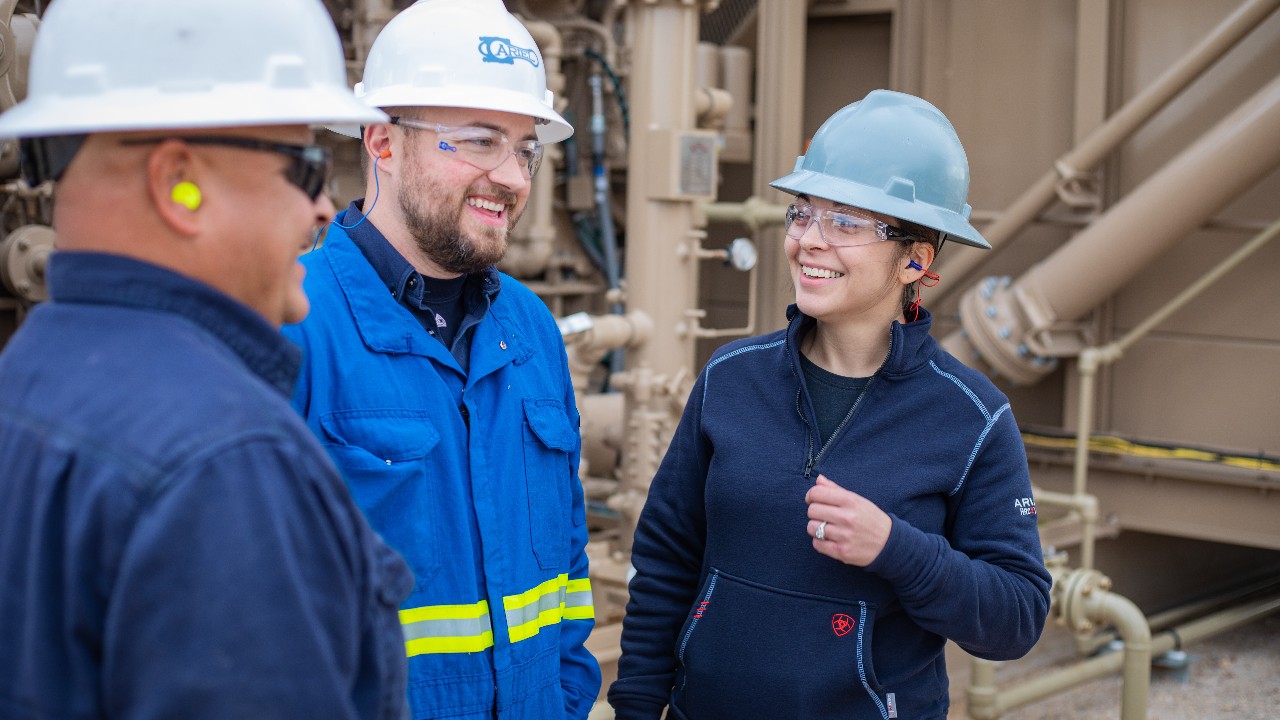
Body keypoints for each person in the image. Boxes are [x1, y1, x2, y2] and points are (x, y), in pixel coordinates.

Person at [0, 1, 416, 718]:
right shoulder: (226, 462)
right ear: (177, 184)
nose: (324, 208)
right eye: (306, 166)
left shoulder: (28, 381)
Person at [608, 90, 1052, 720]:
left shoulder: (972, 418)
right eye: (802, 214)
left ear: (916, 261)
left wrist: (897, 548)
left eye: (846, 222)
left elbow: (1017, 617)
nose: (808, 241)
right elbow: (665, 562)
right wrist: (635, 708)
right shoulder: (731, 378)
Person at [281, 1, 601, 718]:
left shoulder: (532, 329)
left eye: (524, 148)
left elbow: (569, 572)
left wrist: (566, 696)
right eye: (481, 141)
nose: (514, 177)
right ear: (383, 144)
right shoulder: (295, 319)